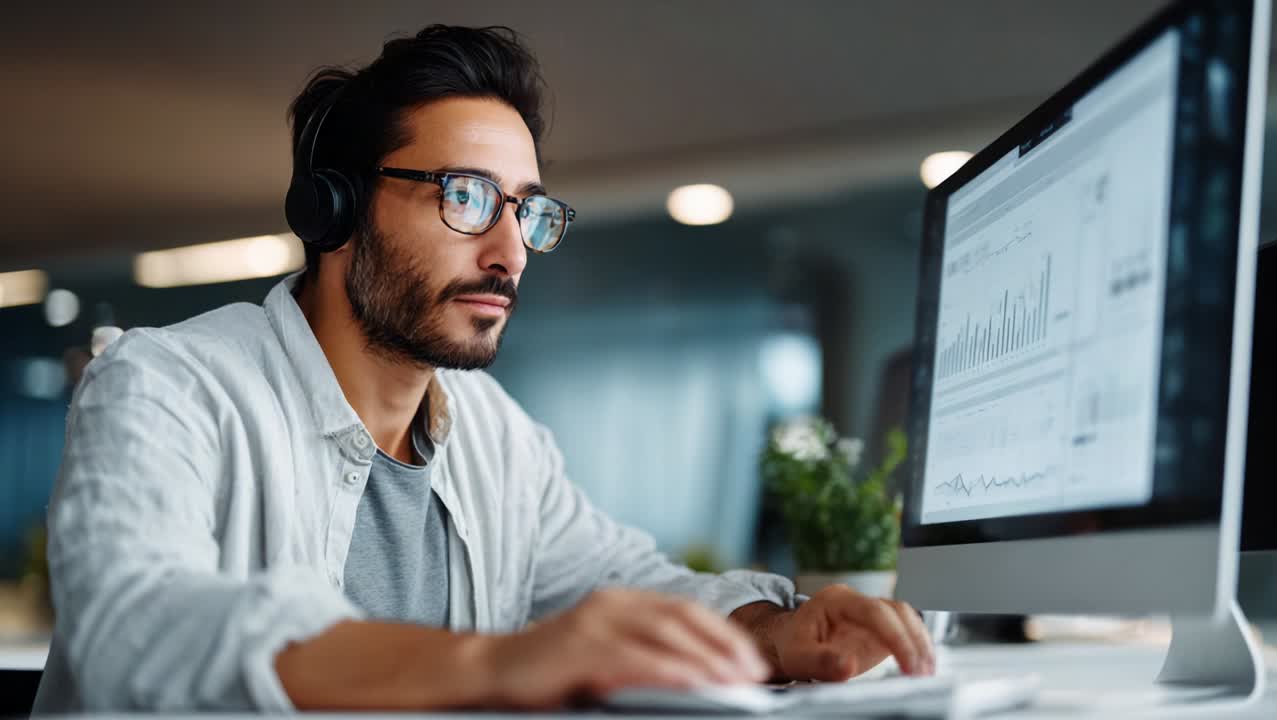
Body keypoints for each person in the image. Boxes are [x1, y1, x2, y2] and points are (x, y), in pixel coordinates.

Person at [33, 25, 934, 712]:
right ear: (335, 211)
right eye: (466, 197)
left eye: (530, 212)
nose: (511, 250)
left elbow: (635, 586)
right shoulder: (167, 388)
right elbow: (134, 627)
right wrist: (492, 665)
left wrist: (781, 630)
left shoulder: (498, 436)